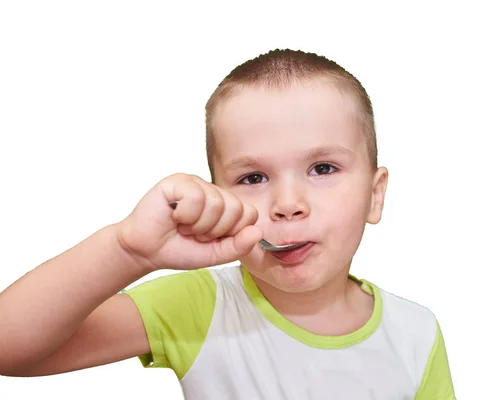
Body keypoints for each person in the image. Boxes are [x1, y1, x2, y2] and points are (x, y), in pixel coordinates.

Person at [0, 49, 456, 399]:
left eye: (322, 168)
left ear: (374, 196)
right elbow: (8, 347)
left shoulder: (416, 332)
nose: (287, 204)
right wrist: (128, 251)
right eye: (253, 177)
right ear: (217, 197)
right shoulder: (199, 306)